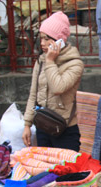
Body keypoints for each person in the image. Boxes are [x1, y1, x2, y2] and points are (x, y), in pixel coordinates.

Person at [22, 11, 84, 152]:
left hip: (64, 129)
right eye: (41, 38)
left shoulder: (74, 63)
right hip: (42, 126)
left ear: (59, 40)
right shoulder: (41, 60)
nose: (42, 43)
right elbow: (34, 94)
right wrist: (27, 125)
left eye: (46, 39)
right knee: (46, 172)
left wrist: (50, 61)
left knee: (66, 172)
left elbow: (58, 87)